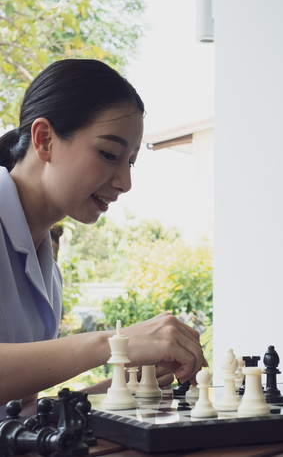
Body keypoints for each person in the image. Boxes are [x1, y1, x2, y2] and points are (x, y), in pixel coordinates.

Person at [0, 59, 205, 406]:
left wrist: (123, 387)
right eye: (109, 154)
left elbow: (19, 415)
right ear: (44, 139)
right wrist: (114, 343)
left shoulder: (48, 270)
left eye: (130, 162)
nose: (125, 183)